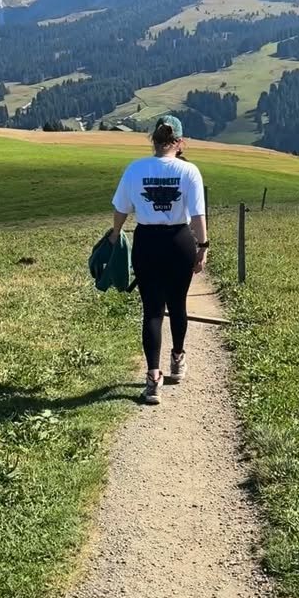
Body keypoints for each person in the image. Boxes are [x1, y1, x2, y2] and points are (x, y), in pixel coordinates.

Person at [110, 114, 209, 405]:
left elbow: (121, 209)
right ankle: (177, 358)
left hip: (147, 242)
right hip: (179, 241)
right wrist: (203, 246)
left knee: (152, 310)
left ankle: (153, 379)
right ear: (180, 142)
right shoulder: (189, 171)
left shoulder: (135, 168)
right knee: (178, 304)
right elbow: (198, 214)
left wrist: (114, 236)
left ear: (153, 140)